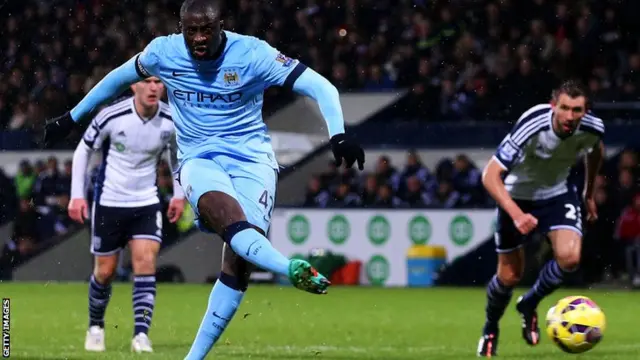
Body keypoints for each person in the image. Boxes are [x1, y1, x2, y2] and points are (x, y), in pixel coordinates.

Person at [43, 0, 365, 358]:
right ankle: (288, 266)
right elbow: (117, 79)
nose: (197, 37)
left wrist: (337, 134)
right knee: (229, 220)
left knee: (238, 261)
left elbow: (322, 87)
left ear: (220, 26)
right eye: (190, 29)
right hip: (200, 159)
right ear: (180, 26)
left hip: (253, 163)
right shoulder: (164, 52)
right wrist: (71, 119)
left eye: (206, 30)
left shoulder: (253, 54)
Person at [476, 80, 604, 357]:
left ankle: (529, 303)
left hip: (557, 194)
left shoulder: (593, 128)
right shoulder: (533, 124)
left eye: (577, 110)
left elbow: (595, 151)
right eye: (565, 108)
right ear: (553, 106)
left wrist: (589, 192)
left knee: (570, 258)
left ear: (586, 110)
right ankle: (490, 327)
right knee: (509, 276)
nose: (570, 116)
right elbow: (489, 175)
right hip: (516, 196)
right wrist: (517, 214)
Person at [68, 77, 185, 353]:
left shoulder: (171, 119)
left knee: (145, 262)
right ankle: (96, 326)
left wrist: (179, 194)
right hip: (109, 203)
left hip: (146, 202)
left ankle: (141, 335)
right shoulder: (112, 115)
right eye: (147, 81)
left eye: (159, 82)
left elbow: (177, 156)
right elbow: (83, 150)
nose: (154, 87)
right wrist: (76, 195)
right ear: (133, 86)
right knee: (105, 272)